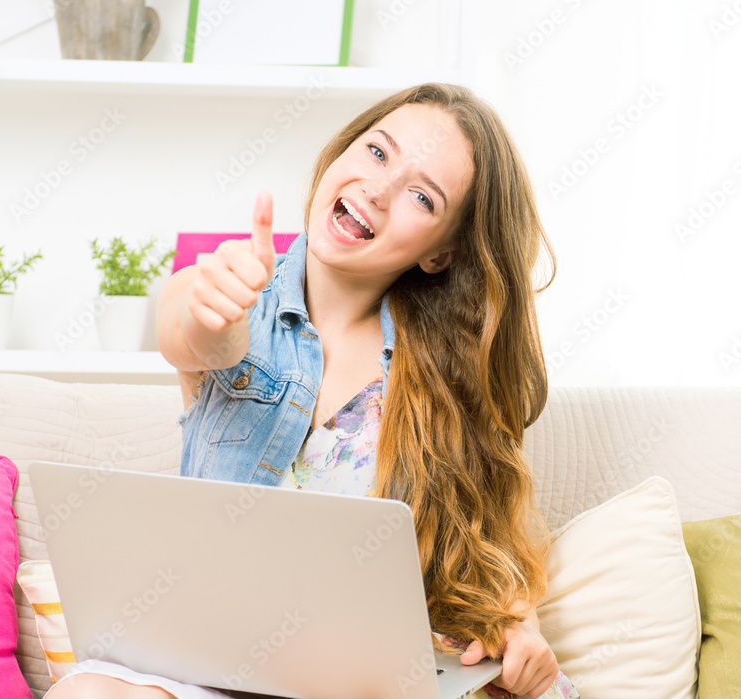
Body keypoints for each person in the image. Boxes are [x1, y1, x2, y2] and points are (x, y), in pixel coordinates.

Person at [46, 82, 578, 699]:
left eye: (421, 196)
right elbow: (187, 329)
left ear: (442, 254)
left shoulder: (449, 378)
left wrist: (519, 633)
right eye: (378, 153)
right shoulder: (231, 290)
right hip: (200, 678)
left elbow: (492, 558)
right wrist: (213, 332)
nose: (377, 190)